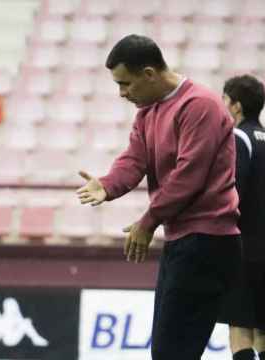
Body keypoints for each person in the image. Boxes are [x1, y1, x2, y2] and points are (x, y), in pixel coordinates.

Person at [75, 34, 241, 360]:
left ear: (149, 74)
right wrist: (108, 185)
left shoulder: (200, 106)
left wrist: (148, 221)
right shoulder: (147, 112)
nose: (122, 93)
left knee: (173, 352)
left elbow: (189, 175)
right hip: (184, 239)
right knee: (170, 351)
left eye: (126, 84)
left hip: (208, 240)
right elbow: (134, 159)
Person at [217, 75, 265, 360]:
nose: (222, 106)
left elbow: (234, 191)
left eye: (224, 100)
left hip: (247, 248)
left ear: (236, 106)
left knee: (239, 328)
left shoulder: (239, 138)